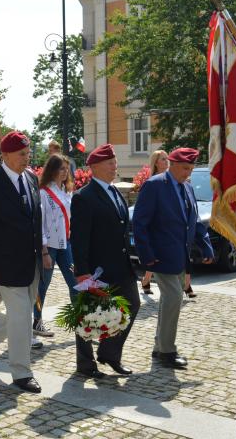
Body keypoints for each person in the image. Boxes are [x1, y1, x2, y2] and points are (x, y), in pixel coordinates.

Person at [0, 131, 44, 394]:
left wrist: (43, 251)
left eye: (28, 153)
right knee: (23, 317)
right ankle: (21, 372)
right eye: (21, 154)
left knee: (19, 314)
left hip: (32, 261)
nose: (27, 158)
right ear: (5, 155)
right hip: (6, 264)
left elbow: (35, 220)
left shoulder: (32, 179)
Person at [133, 148, 213, 370]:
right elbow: (140, 223)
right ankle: (167, 352)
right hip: (160, 257)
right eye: (185, 168)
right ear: (172, 164)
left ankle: (160, 347)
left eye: (191, 169)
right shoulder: (155, 185)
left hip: (181, 256)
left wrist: (206, 246)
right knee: (174, 299)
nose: (188, 173)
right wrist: (146, 255)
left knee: (170, 302)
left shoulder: (186, 186)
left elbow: (193, 220)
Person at [71, 143, 140, 378]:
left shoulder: (114, 192)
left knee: (132, 305)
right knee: (89, 314)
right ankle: (85, 363)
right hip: (97, 270)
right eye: (110, 163)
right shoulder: (84, 197)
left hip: (121, 266)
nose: (115, 166)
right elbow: (79, 238)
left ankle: (110, 353)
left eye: (115, 162)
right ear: (96, 167)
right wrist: (82, 271)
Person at [34, 153, 78, 338]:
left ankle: (82, 322)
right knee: (43, 286)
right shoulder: (43, 193)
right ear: (52, 170)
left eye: (66, 168)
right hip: (49, 246)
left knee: (75, 283)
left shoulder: (68, 192)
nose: (65, 172)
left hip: (65, 244)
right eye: (61, 168)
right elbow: (40, 223)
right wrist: (44, 251)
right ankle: (36, 322)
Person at [140, 149, 169, 295]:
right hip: (155, 224)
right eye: (163, 159)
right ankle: (147, 280)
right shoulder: (152, 182)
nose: (167, 161)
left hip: (166, 225)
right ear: (156, 163)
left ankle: (146, 280)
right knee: (154, 256)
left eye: (167, 158)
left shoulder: (171, 179)